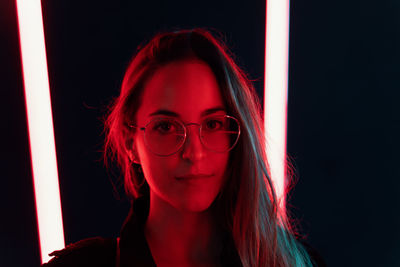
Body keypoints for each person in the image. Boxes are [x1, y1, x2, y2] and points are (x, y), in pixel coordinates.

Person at [42, 28, 325, 267]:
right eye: (166, 126)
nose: (194, 152)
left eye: (213, 124)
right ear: (130, 142)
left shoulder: (294, 262)